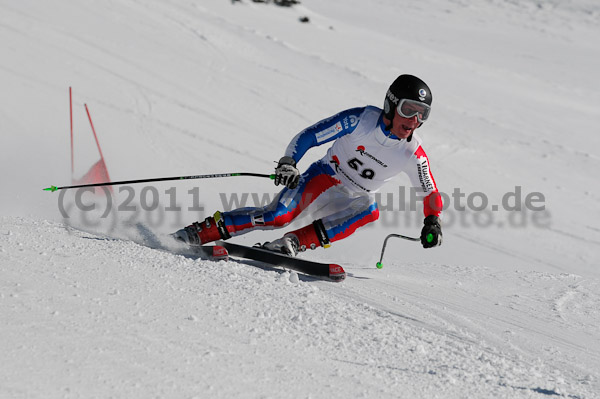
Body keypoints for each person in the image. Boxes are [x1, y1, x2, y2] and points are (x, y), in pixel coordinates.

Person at [173, 74, 443, 255]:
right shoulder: (360, 120)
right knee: (276, 216)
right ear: (391, 104)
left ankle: (288, 246)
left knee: (370, 211)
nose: (414, 121)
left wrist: (433, 221)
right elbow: (311, 135)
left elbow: (430, 192)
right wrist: (289, 163)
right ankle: (199, 232)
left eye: (422, 115)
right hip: (324, 178)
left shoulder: (413, 152)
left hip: (353, 198)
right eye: (409, 110)